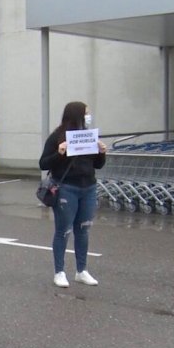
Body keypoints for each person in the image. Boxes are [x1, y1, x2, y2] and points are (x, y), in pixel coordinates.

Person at [39, 101, 107, 288]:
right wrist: (60, 152)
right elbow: (43, 163)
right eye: (86, 113)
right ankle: (59, 271)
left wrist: (101, 153)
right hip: (67, 188)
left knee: (83, 229)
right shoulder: (57, 137)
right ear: (76, 115)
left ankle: (81, 270)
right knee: (63, 230)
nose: (88, 116)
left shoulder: (87, 136)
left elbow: (97, 164)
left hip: (88, 187)